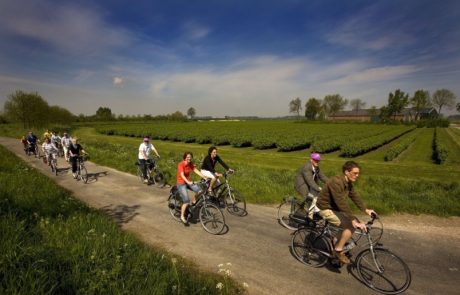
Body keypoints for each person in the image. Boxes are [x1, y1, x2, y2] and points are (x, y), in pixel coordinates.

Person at [316, 161, 376, 264]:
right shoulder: (336, 182)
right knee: (351, 225)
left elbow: (355, 196)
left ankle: (335, 240)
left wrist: (366, 210)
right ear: (347, 172)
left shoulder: (348, 183)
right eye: (355, 173)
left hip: (333, 208)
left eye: (358, 173)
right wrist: (352, 219)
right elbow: (340, 202)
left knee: (355, 222)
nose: (357, 175)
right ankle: (338, 250)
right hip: (324, 208)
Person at [294, 152, 328, 217]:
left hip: (309, 185)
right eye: (315, 160)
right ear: (311, 160)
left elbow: (322, 177)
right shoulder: (307, 167)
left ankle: (313, 213)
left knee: (318, 198)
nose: (317, 161)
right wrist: (318, 188)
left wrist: (331, 183)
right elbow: (310, 181)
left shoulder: (316, 167)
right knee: (311, 198)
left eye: (318, 160)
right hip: (302, 185)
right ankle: (310, 217)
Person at [177, 152, 206, 225]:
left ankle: (193, 203)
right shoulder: (181, 164)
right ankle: (182, 216)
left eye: (190, 157)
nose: (189, 158)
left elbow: (195, 170)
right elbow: (182, 175)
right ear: (185, 157)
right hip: (181, 183)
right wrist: (187, 181)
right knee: (186, 201)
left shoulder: (190, 164)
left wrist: (204, 177)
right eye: (187, 157)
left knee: (200, 191)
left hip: (188, 182)